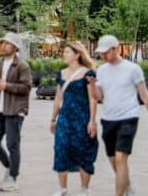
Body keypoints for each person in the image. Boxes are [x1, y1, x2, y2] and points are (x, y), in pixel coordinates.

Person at [88, 35, 148, 196]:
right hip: (108, 119)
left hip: (128, 117)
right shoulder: (101, 70)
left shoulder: (132, 69)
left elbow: (144, 95)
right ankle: (127, 186)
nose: (103, 56)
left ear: (116, 48)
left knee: (121, 158)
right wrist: (92, 84)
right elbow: (98, 96)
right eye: (101, 53)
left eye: (106, 52)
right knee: (113, 160)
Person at [0, 33, 32, 192]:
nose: (3, 46)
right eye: (3, 43)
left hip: (14, 110)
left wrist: (6, 86)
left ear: (15, 47)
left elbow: (26, 88)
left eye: (7, 44)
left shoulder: (22, 66)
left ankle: (12, 177)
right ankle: (10, 166)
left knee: (12, 144)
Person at [50, 42, 99, 196]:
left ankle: (84, 189)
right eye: (64, 52)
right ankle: (62, 189)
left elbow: (93, 99)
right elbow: (58, 97)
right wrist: (53, 119)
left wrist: (92, 121)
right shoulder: (62, 73)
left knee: (84, 151)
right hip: (65, 118)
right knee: (61, 149)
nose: (64, 54)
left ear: (77, 54)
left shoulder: (88, 74)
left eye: (67, 52)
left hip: (82, 118)